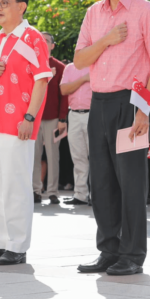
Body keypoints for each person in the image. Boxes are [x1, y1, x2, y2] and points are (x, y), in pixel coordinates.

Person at [74, 0, 150, 276]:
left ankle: (132, 254)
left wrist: (145, 110)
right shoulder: (93, 13)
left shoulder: (145, 11)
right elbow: (79, 60)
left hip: (130, 105)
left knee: (130, 181)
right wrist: (107, 40)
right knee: (100, 181)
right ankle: (108, 250)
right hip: (97, 103)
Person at [0, 0, 52, 266]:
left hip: (17, 122)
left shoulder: (31, 38)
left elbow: (42, 79)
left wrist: (29, 118)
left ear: (22, 6)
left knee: (15, 184)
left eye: (5, 3)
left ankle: (17, 245)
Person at [32, 32, 68, 204]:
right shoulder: (31, 64)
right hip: (34, 117)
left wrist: (62, 119)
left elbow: (64, 95)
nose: (43, 43)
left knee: (53, 156)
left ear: (52, 46)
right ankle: (35, 189)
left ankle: (53, 191)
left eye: (46, 41)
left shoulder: (60, 67)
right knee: (34, 155)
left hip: (53, 117)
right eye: (40, 40)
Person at [59, 61, 92, 205]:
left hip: (93, 114)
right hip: (73, 114)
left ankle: (96, 194)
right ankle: (80, 194)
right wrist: (83, 79)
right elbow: (64, 89)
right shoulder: (70, 67)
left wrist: (75, 83)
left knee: (97, 157)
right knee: (78, 157)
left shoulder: (97, 65)